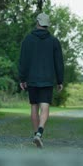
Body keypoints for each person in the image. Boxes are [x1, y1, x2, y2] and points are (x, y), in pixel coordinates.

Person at [18, 13, 64, 148]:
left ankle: (35, 134)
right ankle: (39, 133)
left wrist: (22, 78)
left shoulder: (27, 40)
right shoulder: (54, 41)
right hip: (47, 79)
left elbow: (23, 61)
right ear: (47, 24)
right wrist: (60, 80)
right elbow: (58, 63)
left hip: (32, 79)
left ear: (37, 22)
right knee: (45, 107)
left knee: (34, 107)